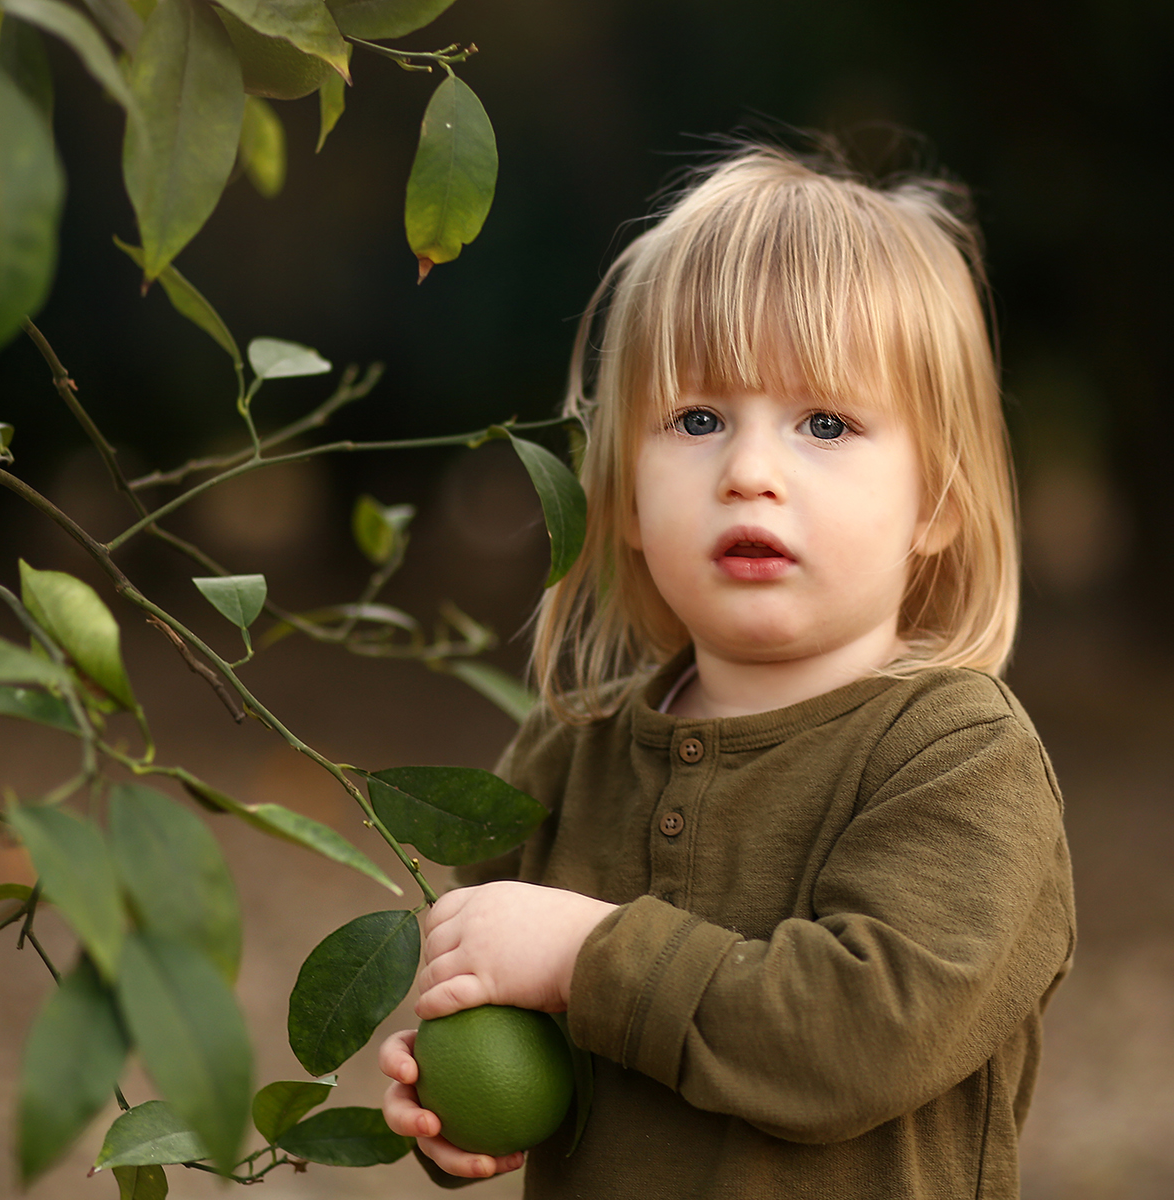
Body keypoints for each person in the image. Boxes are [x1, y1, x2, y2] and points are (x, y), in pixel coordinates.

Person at [379, 142, 1077, 1199]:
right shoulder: (570, 754)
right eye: (698, 421)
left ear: (936, 502)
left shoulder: (959, 761)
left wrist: (588, 957)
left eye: (826, 425)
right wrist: (450, 1101)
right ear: (622, 492)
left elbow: (862, 1040)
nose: (750, 471)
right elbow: (496, 1003)